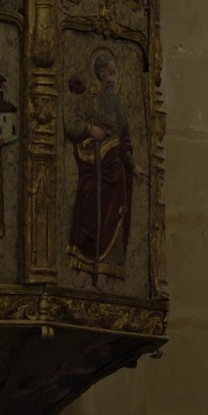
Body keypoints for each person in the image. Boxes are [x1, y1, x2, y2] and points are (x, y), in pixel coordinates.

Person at [65, 52, 148, 293]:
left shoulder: (118, 103)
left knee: (114, 217)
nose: (112, 78)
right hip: (92, 165)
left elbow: (124, 139)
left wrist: (134, 167)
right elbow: (71, 125)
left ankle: (103, 274)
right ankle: (82, 268)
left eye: (115, 74)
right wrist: (90, 129)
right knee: (89, 213)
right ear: (100, 74)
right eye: (108, 73)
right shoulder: (88, 100)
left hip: (115, 169)